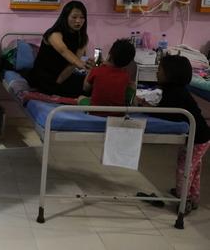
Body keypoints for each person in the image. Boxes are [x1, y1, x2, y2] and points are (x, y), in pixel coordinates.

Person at [139, 55, 210, 213]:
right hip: (201, 135)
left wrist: (146, 108)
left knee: (185, 168)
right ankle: (192, 196)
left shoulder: (176, 93)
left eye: (160, 70)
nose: (157, 73)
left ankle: (183, 199)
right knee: (194, 168)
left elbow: (168, 114)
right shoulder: (173, 90)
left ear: (170, 74)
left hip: (197, 137)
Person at [28, 0, 93, 98]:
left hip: (63, 76)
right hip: (44, 76)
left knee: (92, 86)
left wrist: (58, 83)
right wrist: (81, 64)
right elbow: (64, 51)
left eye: (82, 17)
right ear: (65, 17)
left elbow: (72, 65)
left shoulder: (83, 38)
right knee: (76, 91)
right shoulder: (54, 34)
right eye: (74, 17)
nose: (78, 21)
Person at [80, 38, 136, 111]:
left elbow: (85, 87)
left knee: (81, 98)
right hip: (118, 113)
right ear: (128, 63)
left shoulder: (97, 70)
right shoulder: (126, 76)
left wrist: (91, 70)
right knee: (132, 85)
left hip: (95, 111)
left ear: (110, 54)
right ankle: (130, 103)